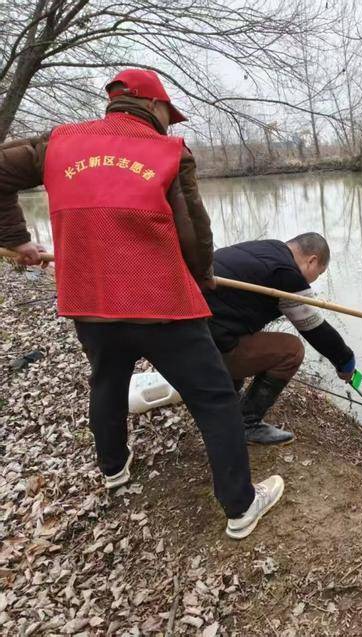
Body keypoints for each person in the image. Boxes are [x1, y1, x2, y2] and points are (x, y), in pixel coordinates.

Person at [0, 69, 282, 539]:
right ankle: (241, 506)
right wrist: (203, 277)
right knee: (214, 400)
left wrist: (16, 240)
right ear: (152, 107)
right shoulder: (170, 152)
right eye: (167, 114)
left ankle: (114, 469)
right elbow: (193, 229)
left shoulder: (57, 142)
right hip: (161, 302)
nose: (168, 124)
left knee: (108, 381)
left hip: (89, 300)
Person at [204, 234, 356, 444]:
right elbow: (314, 329)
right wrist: (345, 361)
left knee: (241, 330)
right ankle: (246, 423)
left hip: (188, 337)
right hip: (206, 350)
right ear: (311, 260)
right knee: (292, 350)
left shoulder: (265, 249)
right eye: (318, 274)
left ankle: (227, 398)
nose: (313, 281)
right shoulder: (287, 274)